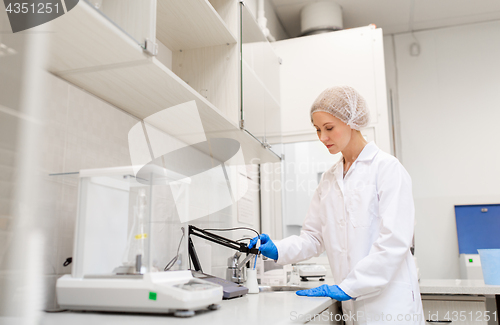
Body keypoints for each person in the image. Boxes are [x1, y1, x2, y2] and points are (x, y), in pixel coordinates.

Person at [249, 86, 424, 325]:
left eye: (329, 128)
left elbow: (394, 241)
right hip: (353, 307)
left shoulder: (387, 169)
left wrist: (351, 286)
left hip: (390, 306)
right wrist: (278, 249)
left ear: (352, 121)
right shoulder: (329, 179)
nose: (322, 137)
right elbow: (313, 237)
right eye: (318, 129)